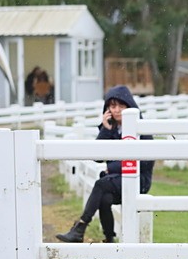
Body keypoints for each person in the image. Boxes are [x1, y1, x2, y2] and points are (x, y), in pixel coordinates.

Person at [55, 86, 154, 243]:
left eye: (121, 106)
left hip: (139, 180)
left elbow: (145, 163)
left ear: (130, 106)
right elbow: (98, 157)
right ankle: (109, 238)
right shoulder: (112, 129)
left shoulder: (142, 129)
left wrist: (112, 168)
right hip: (116, 180)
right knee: (105, 197)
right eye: (113, 106)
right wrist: (106, 130)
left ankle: (80, 227)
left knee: (101, 185)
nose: (117, 110)